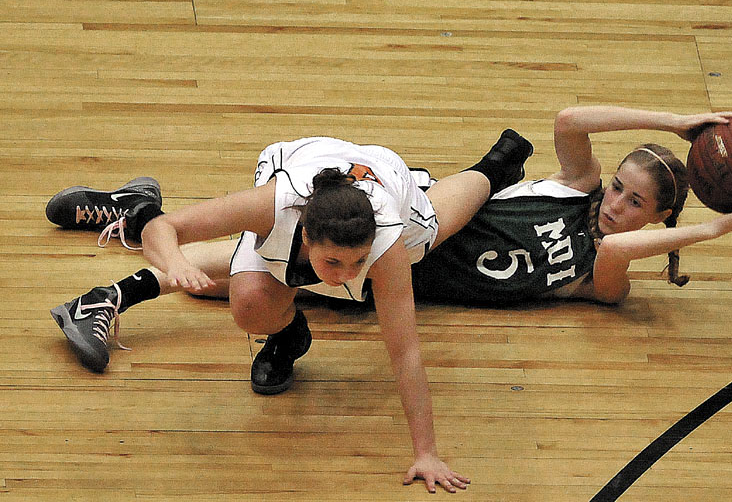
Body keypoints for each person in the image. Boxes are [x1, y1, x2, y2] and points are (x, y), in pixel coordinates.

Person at [46, 131, 534, 494]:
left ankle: (496, 164)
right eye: (333, 263)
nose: (345, 276)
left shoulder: (387, 245)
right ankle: (287, 335)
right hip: (303, 160)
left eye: (356, 262)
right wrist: (173, 262)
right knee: (249, 302)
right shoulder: (273, 208)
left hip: (383, 176)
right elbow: (167, 228)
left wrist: (425, 452)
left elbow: (405, 352)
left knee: (438, 226)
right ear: (305, 237)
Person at [412, 106, 732, 304]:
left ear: (659, 217)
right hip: (418, 212)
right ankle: (493, 170)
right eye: (617, 187)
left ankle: (498, 166)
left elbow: (617, 248)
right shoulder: (577, 186)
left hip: (400, 275)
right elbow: (569, 121)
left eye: (634, 202)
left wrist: (716, 228)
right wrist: (672, 122)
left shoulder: (602, 280)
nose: (614, 204)